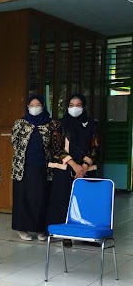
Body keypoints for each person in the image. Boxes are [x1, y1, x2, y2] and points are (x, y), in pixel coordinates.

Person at [47, 94, 101, 244]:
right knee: (62, 200)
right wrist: (74, 164)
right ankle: (64, 233)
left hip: (86, 169)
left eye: (78, 105)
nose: (74, 108)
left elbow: (95, 146)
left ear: (83, 107)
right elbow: (55, 147)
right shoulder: (58, 124)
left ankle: (86, 234)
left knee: (85, 201)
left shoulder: (92, 124)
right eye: (71, 105)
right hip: (65, 168)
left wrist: (84, 166)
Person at [11, 95, 60, 241]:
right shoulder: (20, 123)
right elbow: (14, 142)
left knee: (40, 198)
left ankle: (40, 229)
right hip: (23, 168)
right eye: (31, 105)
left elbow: (56, 145)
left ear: (43, 106)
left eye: (38, 104)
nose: (34, 107)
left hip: (44, 168)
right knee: (23, 198)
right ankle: (22, 228)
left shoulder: (52, 124)